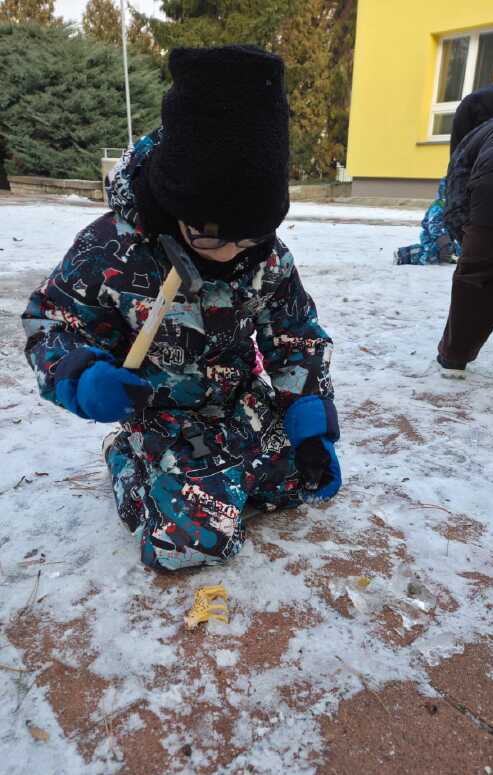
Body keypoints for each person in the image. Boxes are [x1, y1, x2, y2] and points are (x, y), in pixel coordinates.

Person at [21, 45, 341, 573]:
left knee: (300, 480)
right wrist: (82, 377)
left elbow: (296, 335)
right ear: (176, 203)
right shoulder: (111, 248)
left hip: (240, 405)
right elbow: (52, 322)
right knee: (193, 542)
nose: (233, 253)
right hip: (160, 413)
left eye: (250, 236)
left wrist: (309, 420)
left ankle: (218, 479)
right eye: (213, 236)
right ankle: (126, 459)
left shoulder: (265, 255)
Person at [437, 83, 493, 376]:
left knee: (475, 278)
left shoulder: (475, 138)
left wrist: (469, 245)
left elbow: (455, 202)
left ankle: (454, 356)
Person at [394, 178, 460, 266]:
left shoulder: (454, 207)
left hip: (449, 237)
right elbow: (433, 224)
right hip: (432, 237)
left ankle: (451, 255)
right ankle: (404, 254)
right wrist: (443, 239)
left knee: (456, 251)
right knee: (430, 255)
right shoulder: (438, 207)